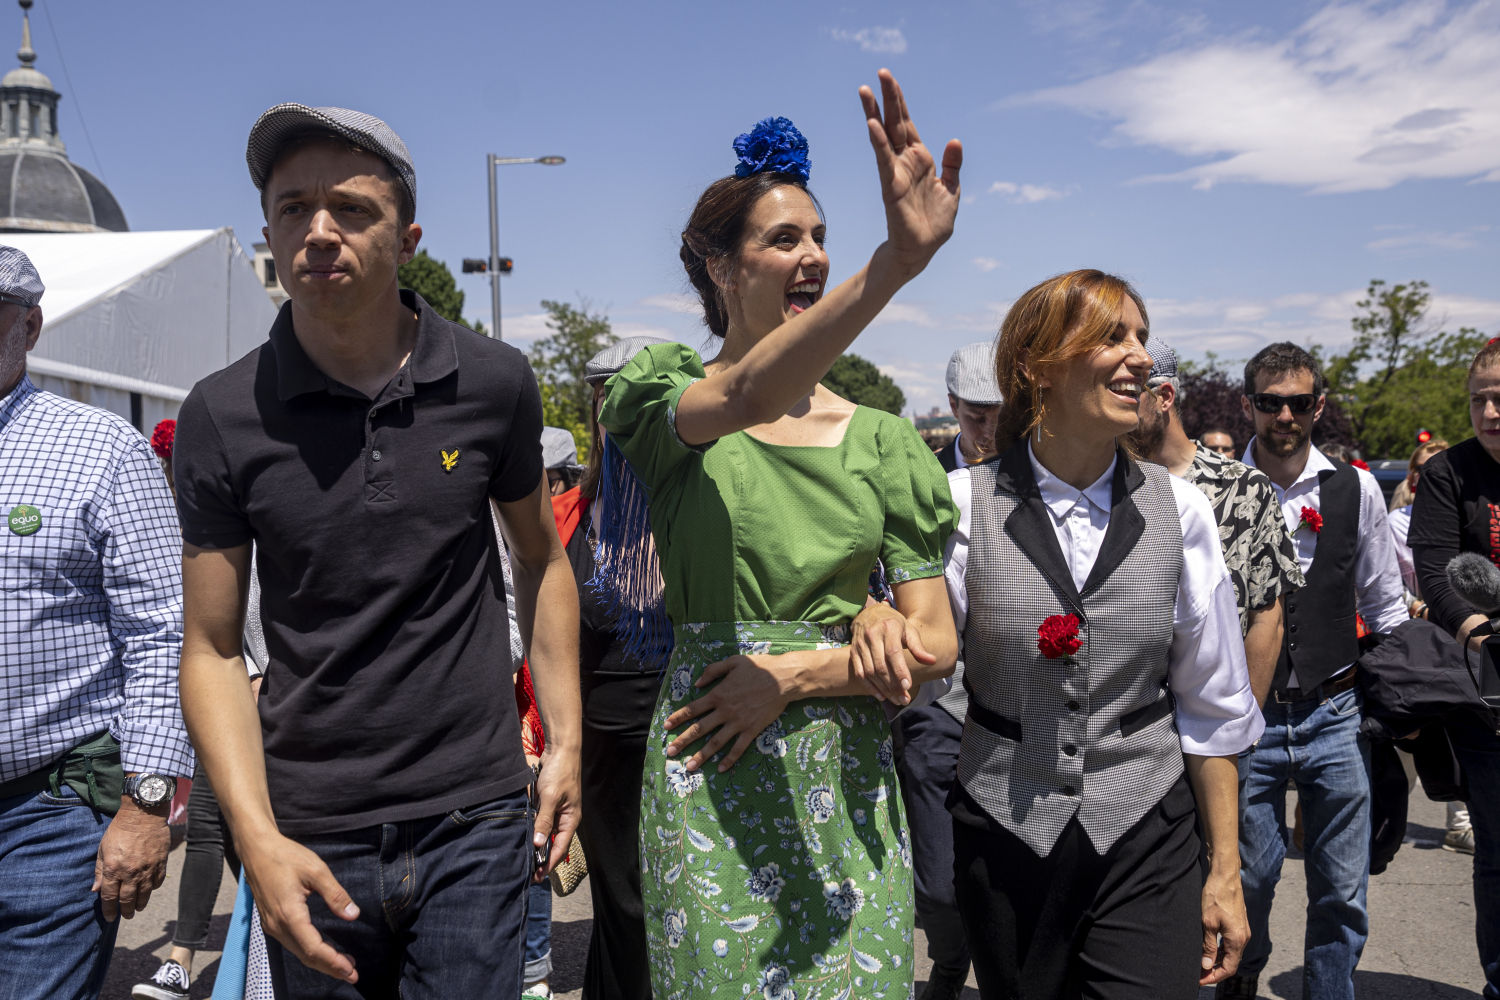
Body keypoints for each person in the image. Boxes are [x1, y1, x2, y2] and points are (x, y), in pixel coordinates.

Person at [173, 104, 582, 998]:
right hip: (309, 829)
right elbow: (207, 648)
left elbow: (543, 562)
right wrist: (255, 835)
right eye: (291, 210)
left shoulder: (494, 383)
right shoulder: (221, 413)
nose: (318, 231)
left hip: (475, 818)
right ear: (271, 231)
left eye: (350, 209)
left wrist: (565, 743)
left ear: (407, 236)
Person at [598, 71, 963, 999]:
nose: (811, 256)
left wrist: (817, 665)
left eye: (821, 239)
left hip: (847, 786)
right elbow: (749, 392)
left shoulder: (881, 439)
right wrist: (896, 264)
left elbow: (937, 647)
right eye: (783, 239)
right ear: (720, 268)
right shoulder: (667, 394)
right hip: (708, 761)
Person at [933, 269, 1260, 999]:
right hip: (1004, 831)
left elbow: (1212, 706)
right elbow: (920, 667)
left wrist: (1226, 872)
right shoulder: (960, 506)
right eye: (1114, 336)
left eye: (1141, 336)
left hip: (1148, 831)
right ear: (1036, 367)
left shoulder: (1182, 512)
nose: (1141, 356)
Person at [0, 245, 192, 999]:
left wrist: (147, 806)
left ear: (30, 327)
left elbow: (163, 634)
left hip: (48, 815)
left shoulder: (102, 452)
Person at [1219, 342, 1407, 1000]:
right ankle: (1240, 980)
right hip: (1250, 718)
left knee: (1341, 891)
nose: (1285, 416)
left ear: (1318, 405)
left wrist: (1389, 710)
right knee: (1249, 879)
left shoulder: (1354, 488)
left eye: (1299, 402)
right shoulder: (1212, 489)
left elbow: (1384, 607)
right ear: (1249, 406)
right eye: (1270, 403)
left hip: (1336, 713)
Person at [135, 420, 268, 1000]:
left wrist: (261, 672)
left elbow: (250, 613)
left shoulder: (251, 514)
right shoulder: (168, 521)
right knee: (213, 827)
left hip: (263, 695)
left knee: (242, 837)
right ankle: (183, 957)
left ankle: (243, 936)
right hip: (211, 692)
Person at [886, 344, 1000, 1000]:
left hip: (1018, 710)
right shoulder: (919, 482)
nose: (989, 431)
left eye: (1001, 416)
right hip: (935, 706)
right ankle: (950, 955)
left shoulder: (1036, 479)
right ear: (953, 408)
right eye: (977, 416)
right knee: (936, 883)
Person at [1128, 337, 1303, 706]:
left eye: (1130, 393)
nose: (1117, 407)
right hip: (1129, 729)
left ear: (1164, 397)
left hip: (1216, 723)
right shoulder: (1103, 485)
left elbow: (1266, 617)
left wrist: (1243, 725)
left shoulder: (1242, 486)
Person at [1407, 337, 1500, 998]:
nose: (1489, 411)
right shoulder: (1449, 474)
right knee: (1498, 855)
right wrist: (1477, 633)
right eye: (1478, 399)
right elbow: (1440, 574)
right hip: (1489, 696)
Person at [933, 341, 1003, 472]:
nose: (991, 434)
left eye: (1002, 418)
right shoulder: (928, 474)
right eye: (979, 418)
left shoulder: (1032, 471)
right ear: (954, 407)